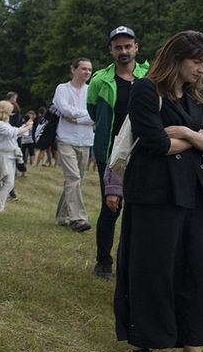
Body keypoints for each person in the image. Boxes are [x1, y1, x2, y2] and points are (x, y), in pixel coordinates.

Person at [114, 31, 203, 352]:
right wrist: (195, 140)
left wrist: (184, 132)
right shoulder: (146, 90)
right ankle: (143, 345)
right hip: (153, 193)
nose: (201, 69)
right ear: (177, 58)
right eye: (196, 62)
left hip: (192, 193)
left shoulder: (197, 96)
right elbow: (152, 143)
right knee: (151, 270)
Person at [88, 26, 149, 280]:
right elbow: (93, 111)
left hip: (145, 149)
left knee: (143, 206)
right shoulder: (100, 80)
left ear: (136, 47)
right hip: (111, 151)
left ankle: (137, 262)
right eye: (118, 47)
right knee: (111, 206)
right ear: (111, 50)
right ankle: (104, 262)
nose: (123, 51)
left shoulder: (150, 76)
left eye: (128, 46)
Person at [52, 57, 95, 232]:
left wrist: (77, 119)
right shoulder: (62, 89)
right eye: (84, 69)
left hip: (85, 140)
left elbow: (96, 114)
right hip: (65, 139)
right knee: (73, 178)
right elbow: (64, 109)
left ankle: (61, 217)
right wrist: (86, 117)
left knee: (76, 180)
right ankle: (78, 218)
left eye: (89, 70)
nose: (87, 72)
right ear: (73, 70)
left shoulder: (92, 90)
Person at [0, 100, 31, 212]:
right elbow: (14, 132)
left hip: (10, 155)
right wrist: (28, 127)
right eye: (9, 112)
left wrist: (24, 126)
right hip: (3, 155)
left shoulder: (3, 124)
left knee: (8, 183)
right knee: (5, 182)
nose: (10, 115)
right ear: (4, 112)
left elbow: (14, 133)